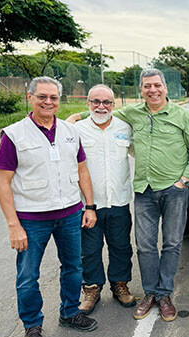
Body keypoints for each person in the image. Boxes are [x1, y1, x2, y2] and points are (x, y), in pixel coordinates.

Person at [69, 69, 189, 322]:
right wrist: (74, 116)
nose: (152, 90)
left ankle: (165, 295)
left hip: (174, 191)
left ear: (165, 88)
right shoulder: (131, 114)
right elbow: (101, 114)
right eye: (146, 86)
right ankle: (150, 293)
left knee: (172, 244)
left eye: (156, 85)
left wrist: (183, 181)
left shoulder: (182, 116)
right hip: (143, 191)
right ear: (140, 90)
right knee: (144, 246)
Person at [0, 77, 98, 337]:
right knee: (28, 276)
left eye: (53, 97)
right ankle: (32, 325)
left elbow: (82, 170)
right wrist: (13, 225)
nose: (48, 102)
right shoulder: (14, 134)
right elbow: (2, 182)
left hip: (70, 215)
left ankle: (69, 312)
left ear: (59, 100)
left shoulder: (69, 131)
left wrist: (89, 206)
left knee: (73, 267)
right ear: (30, 97)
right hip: (31, 219)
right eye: (42, 96)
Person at [75, 84, 135, 314]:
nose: (101, 106)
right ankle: (91, 289)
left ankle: (120, 285)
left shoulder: (125, 128)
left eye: (107, 102)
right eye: (96, 102)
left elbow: (138, 153)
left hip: (118, 201)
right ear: (88, 103)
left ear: (114, 104)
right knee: (89, 249)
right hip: (88, 205)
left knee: (120, 246)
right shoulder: (77, 130)